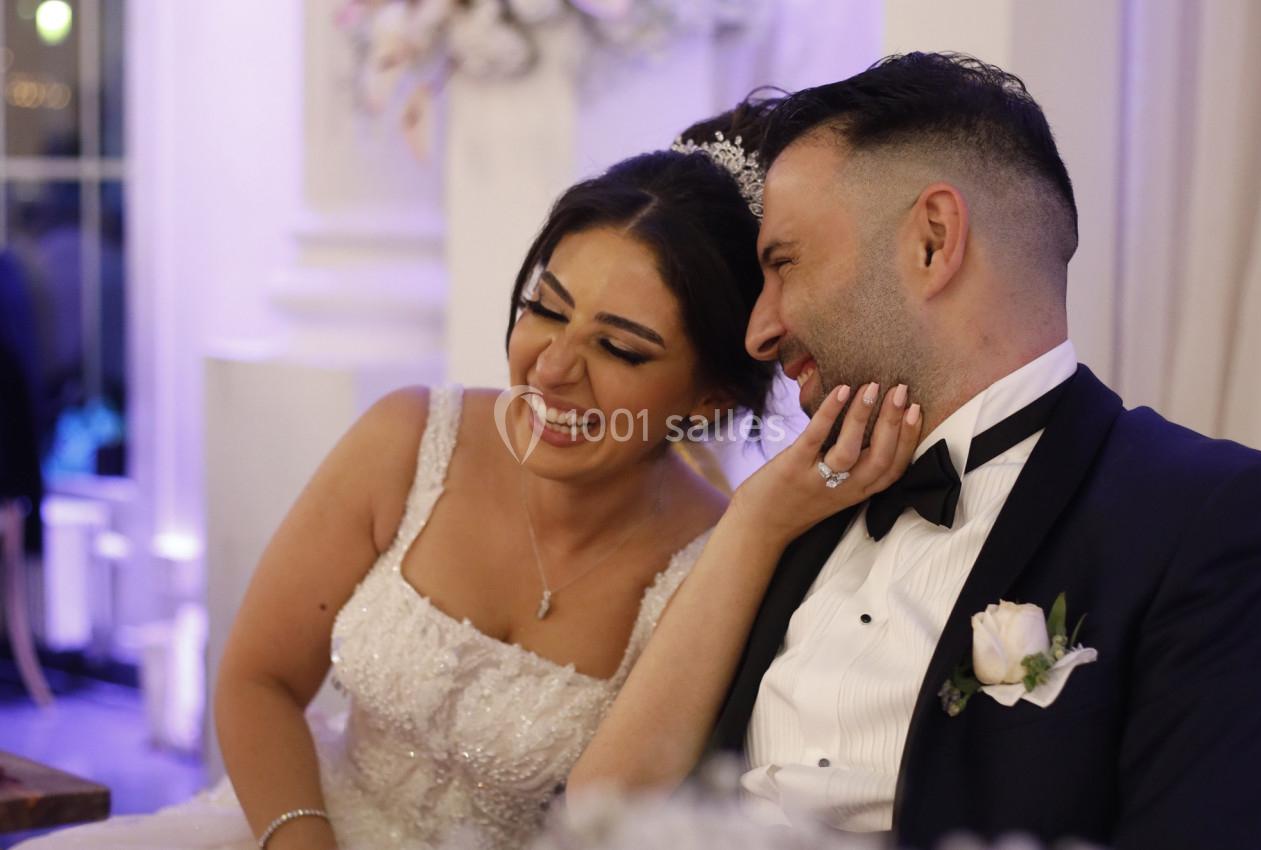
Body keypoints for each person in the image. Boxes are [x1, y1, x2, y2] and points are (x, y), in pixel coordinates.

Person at [14, 102, 918, 850]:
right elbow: (256, 681)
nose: (553, 369)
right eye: (543, 310)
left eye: (618, 347)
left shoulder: (717, 557)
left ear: (710, 395)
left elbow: (622, 813)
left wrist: (759, 526)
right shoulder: (412, 436)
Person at [569, 53, 1261, 850]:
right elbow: (609, 824)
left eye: (783, 264)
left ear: (934, 243)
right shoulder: (785, 518)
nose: (758, 330)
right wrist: (758, 520)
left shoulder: (1213, 519)